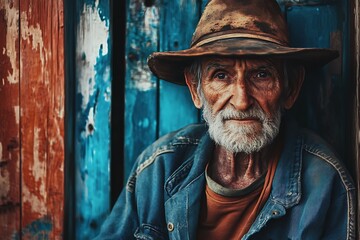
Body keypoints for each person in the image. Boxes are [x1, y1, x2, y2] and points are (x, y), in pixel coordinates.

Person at [95, 0, 356, 239]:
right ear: (196, 89)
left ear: (291, 88)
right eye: (221, 76)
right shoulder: (159, 167)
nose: (242, 101)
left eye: (262, 75)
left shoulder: (323, 181)